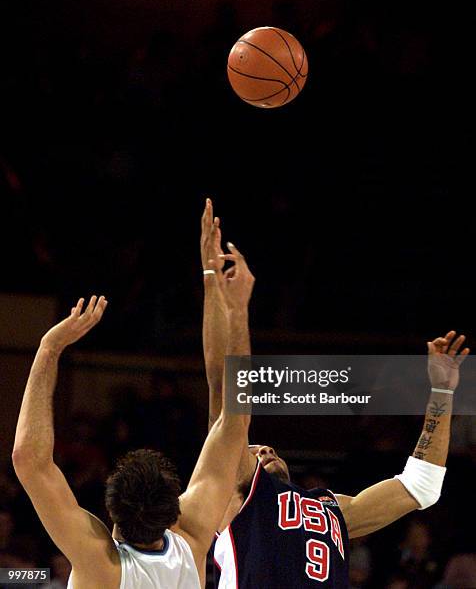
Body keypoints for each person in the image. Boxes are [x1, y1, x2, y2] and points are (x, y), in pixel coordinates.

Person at [201, 197, 469, 588]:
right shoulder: (238, 493)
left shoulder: (329, 508)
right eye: (253, 449)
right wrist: (219, 288)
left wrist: (443, 392)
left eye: (264, 446)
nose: (264, 449)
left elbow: (420, 486)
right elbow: (224, 388)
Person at [13, 254, 254, 589]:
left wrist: (49, 348)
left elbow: (29, 459)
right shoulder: (192, 540)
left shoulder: (101, 564)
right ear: (175, 514)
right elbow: (235, 418)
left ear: (111, 513)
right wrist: (236, 306)